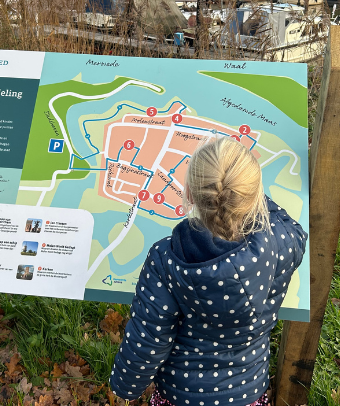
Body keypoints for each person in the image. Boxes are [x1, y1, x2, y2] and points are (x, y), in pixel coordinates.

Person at [110, 137, 308, 406]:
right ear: (252, 195)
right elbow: (291, 225)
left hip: (180, 395)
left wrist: (125, 388)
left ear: (190, 194)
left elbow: (148, 339)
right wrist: (242, 191)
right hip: (248, 392)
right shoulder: (283, 242)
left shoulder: (167, 260)